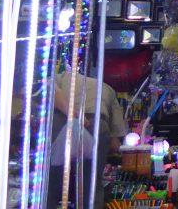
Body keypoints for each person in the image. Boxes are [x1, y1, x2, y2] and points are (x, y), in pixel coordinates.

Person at [47, 66, 129, 209]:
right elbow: (115, 143)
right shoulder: (106, 87)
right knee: (91, 183)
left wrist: (76, 115)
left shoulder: (56, 78)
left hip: (64, 123)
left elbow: (54, 94)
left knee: (52, 181)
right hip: (97, 124)